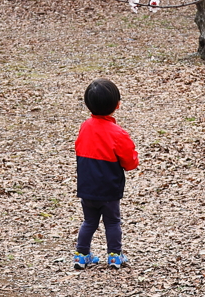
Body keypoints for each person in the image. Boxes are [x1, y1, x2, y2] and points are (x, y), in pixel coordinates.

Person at [73, 78, 139, 270]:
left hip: (86, 187)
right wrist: (134, 159)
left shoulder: (85, 127)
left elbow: (79, 148)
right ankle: (114, 255)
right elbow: (129, 161)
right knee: (112, 222)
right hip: (109, 189)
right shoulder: (118, 133)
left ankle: (81, 254)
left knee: (89, 221)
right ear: (117, 105)